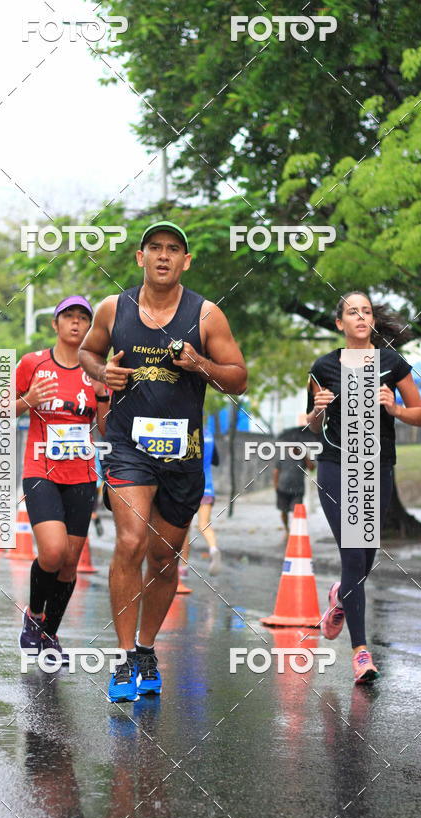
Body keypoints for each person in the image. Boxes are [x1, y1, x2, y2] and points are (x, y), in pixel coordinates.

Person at [79, 221, 247, 702]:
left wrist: (202, 366)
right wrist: (101, 370)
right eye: (155, 248)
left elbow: (239, 378)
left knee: (164, 556)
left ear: (186, 261)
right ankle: (122, 657)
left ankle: (147, 648)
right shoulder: (115, 308)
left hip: (183, 452)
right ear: (140, 257)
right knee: (130, 541)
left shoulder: (207, 314)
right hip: (127, 445)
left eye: (174, 250)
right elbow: (90, 352)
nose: (164, 256)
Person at [306, 291, 421, 684]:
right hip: (335, 466)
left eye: (367, 311)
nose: (360, 317)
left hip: (376, 466)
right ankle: (360, 652)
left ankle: (340, 596)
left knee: (365, 557)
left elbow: (419, 415)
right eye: (352, 312)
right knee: (353, 555)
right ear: (340, 323)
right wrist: (318, 409)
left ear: (373, 321)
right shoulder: (323, 366)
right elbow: (310, 422)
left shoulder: (391, 363)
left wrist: (394, 409)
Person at [15, 296, 109, 658]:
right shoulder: (33, 363)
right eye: (67, 316)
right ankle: (34, 615)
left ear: (89, 327)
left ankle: (50, 634)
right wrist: (28, 400)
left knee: (70, 561)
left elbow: (104, 428)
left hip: (82, 472)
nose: (75, 323)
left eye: (82, 318)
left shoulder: (97, 369)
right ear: (55, 324)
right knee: (52, 552)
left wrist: (103, 396)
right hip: (40, 470)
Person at [179, 425, 221, 577]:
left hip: (189, 487)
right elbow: (216, 460)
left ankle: (183, 567)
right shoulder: (209, 434)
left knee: (185, 527)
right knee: (204, 524)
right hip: (207, 487)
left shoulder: (186, 431)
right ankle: (213, 549)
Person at [273, 432, 315, 535]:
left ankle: (295, 530)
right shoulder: (283, 456)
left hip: (298, 490)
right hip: (283, 488)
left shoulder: (303, 457)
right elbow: (276, 471)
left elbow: (312, 468)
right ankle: (287, 529)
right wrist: (276, 486)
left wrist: (304, 455)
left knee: (296, 510)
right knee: (284, 511)